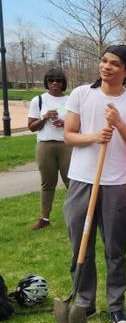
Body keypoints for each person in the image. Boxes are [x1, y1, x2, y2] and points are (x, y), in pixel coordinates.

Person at [63, 46, 126, 323]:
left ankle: (116, 305)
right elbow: (68, 135)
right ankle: (85, 302)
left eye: (115, 64)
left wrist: (119, 125)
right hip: (80, 181)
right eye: (104, 61)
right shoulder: (81, 94)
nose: (106, 67)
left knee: (115, 248)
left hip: (114, 184)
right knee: (81, 245)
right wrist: (93, 136)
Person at [27, 67, 72, 229]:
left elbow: (79, 124)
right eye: (51, 80)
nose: (54, 83)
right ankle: (44, 219)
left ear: (63, 82)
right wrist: (44, 118)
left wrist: (65, 124)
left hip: (67, 144)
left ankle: (76, 215)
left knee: (71, 182)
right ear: (46, 82)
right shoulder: (38, 100)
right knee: (48, 183)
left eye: (58, 80)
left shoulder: (71, 100)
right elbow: (31, 127)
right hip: (45, 145)